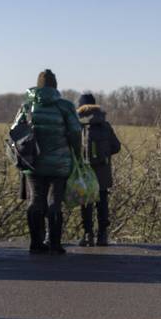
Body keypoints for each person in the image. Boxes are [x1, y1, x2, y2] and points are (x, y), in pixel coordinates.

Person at [12, 69, 82, 255]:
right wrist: (77, 154)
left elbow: (14, 131)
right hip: (59, 163)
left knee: (35, 200)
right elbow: (76, 131)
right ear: (55, 86)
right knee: (54, 201)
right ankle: (54, 243)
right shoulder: (65, 106)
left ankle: (35, 242)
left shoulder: (27, 106)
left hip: (32, 162)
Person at [76, 93, 121, 247]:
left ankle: (87, 235)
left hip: (84, 172)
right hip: (102, 173)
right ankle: (102, 236)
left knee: (86, 203)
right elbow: (116, 146)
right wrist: (104, 155)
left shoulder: (77, 125)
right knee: (102, 203)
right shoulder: (104, 125)